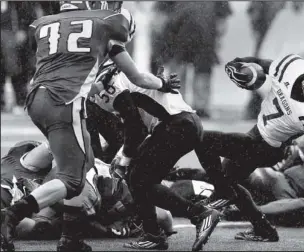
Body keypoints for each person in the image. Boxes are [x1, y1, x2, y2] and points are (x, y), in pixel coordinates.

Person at [1, 1, 180, 251]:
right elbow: (137, 77)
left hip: (37, 98)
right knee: (73, 177)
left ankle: (70, 239)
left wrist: (97, 84)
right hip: (64, 101)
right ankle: (13, 215)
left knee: (83, 165)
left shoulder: (45, 24)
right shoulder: (106, 23)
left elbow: (65, 69)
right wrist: (162, 83)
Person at [192, 53, 304, 242]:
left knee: (203, 139)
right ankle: (264, 229)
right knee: (229, 181)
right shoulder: (292, 67)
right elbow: (262, 64)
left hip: (268, 148)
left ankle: (215, 201)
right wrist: (238, 63)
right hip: (255, 134)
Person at [165, 118, 304, 230]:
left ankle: (238, 213)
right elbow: (286, 161)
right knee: (244, 172)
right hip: (280, 183)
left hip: (299, 206)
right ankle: (177, 174)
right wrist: (269, 172)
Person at [91, 64, 223, 251]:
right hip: (181, 124)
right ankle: (156, 233)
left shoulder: (110, 83)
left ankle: (198, 215)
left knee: (137, 178)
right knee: (139, 179)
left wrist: (123, 158)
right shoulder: (116, 77)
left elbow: (136, 128)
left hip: (176, 125)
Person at [0, 141, 175, 240]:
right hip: (84, 194)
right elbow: (165, 218)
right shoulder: (21, 164)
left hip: (85, 196)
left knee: (42, 224)